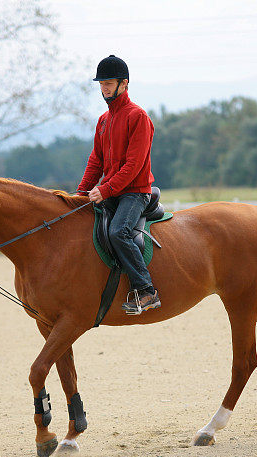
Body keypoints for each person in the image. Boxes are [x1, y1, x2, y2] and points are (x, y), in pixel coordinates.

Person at [77, 54, 161, 315]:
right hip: (112, 190)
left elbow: (133, 165)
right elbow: (96, 162)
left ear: (124, 84)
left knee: (118, 232)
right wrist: (80, 194)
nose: (104, 88)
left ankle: (147, 291)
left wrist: (105, 189)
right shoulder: (103, 120)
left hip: (134, 193)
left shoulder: (138, 117)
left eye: (109, 83)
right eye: (101, 83)